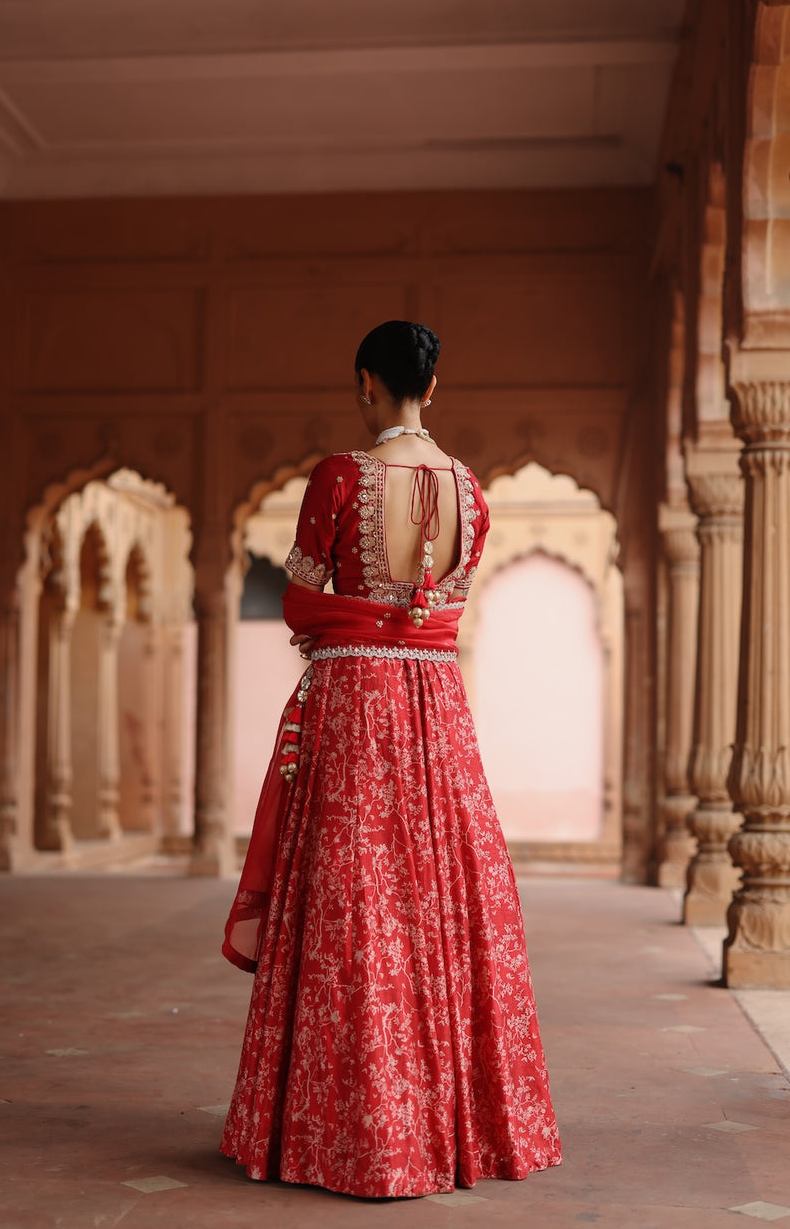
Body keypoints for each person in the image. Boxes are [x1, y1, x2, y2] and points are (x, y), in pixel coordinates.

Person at [220, 320, 562, 1198]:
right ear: (434, 388)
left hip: (354, 705)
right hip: (437, 704)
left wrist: (359, 620)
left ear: (366, 384)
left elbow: (301, 603)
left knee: (352, 898)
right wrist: (405, 624)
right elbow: (442, 608)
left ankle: (345, 1133)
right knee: (440, 890)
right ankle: (450, 1127)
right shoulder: (470, 491)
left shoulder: (341, 477)